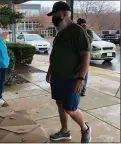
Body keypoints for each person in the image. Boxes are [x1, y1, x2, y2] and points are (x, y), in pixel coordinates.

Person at [46, 1, 91, 143]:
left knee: (71, 109)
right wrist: (50, 71)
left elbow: (86, 56)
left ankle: (85, 129)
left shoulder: (78, 32)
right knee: (59, 103)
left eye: (55, 15)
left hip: (71, 79)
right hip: (57, 77)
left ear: (64, 14)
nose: (53, 18)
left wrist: (81, 78)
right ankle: (65, 131)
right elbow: (55, 54)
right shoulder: (60, 34)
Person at [77, 18, 93, 96]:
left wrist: (85, 31)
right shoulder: (76, 31)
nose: (84, 25)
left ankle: (83, 90)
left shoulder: (89, 31)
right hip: (77, 56)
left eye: (84, 23)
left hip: (86, 55)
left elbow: (90, 40)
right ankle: (77, 88)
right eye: (81, 24)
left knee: (84, 73)